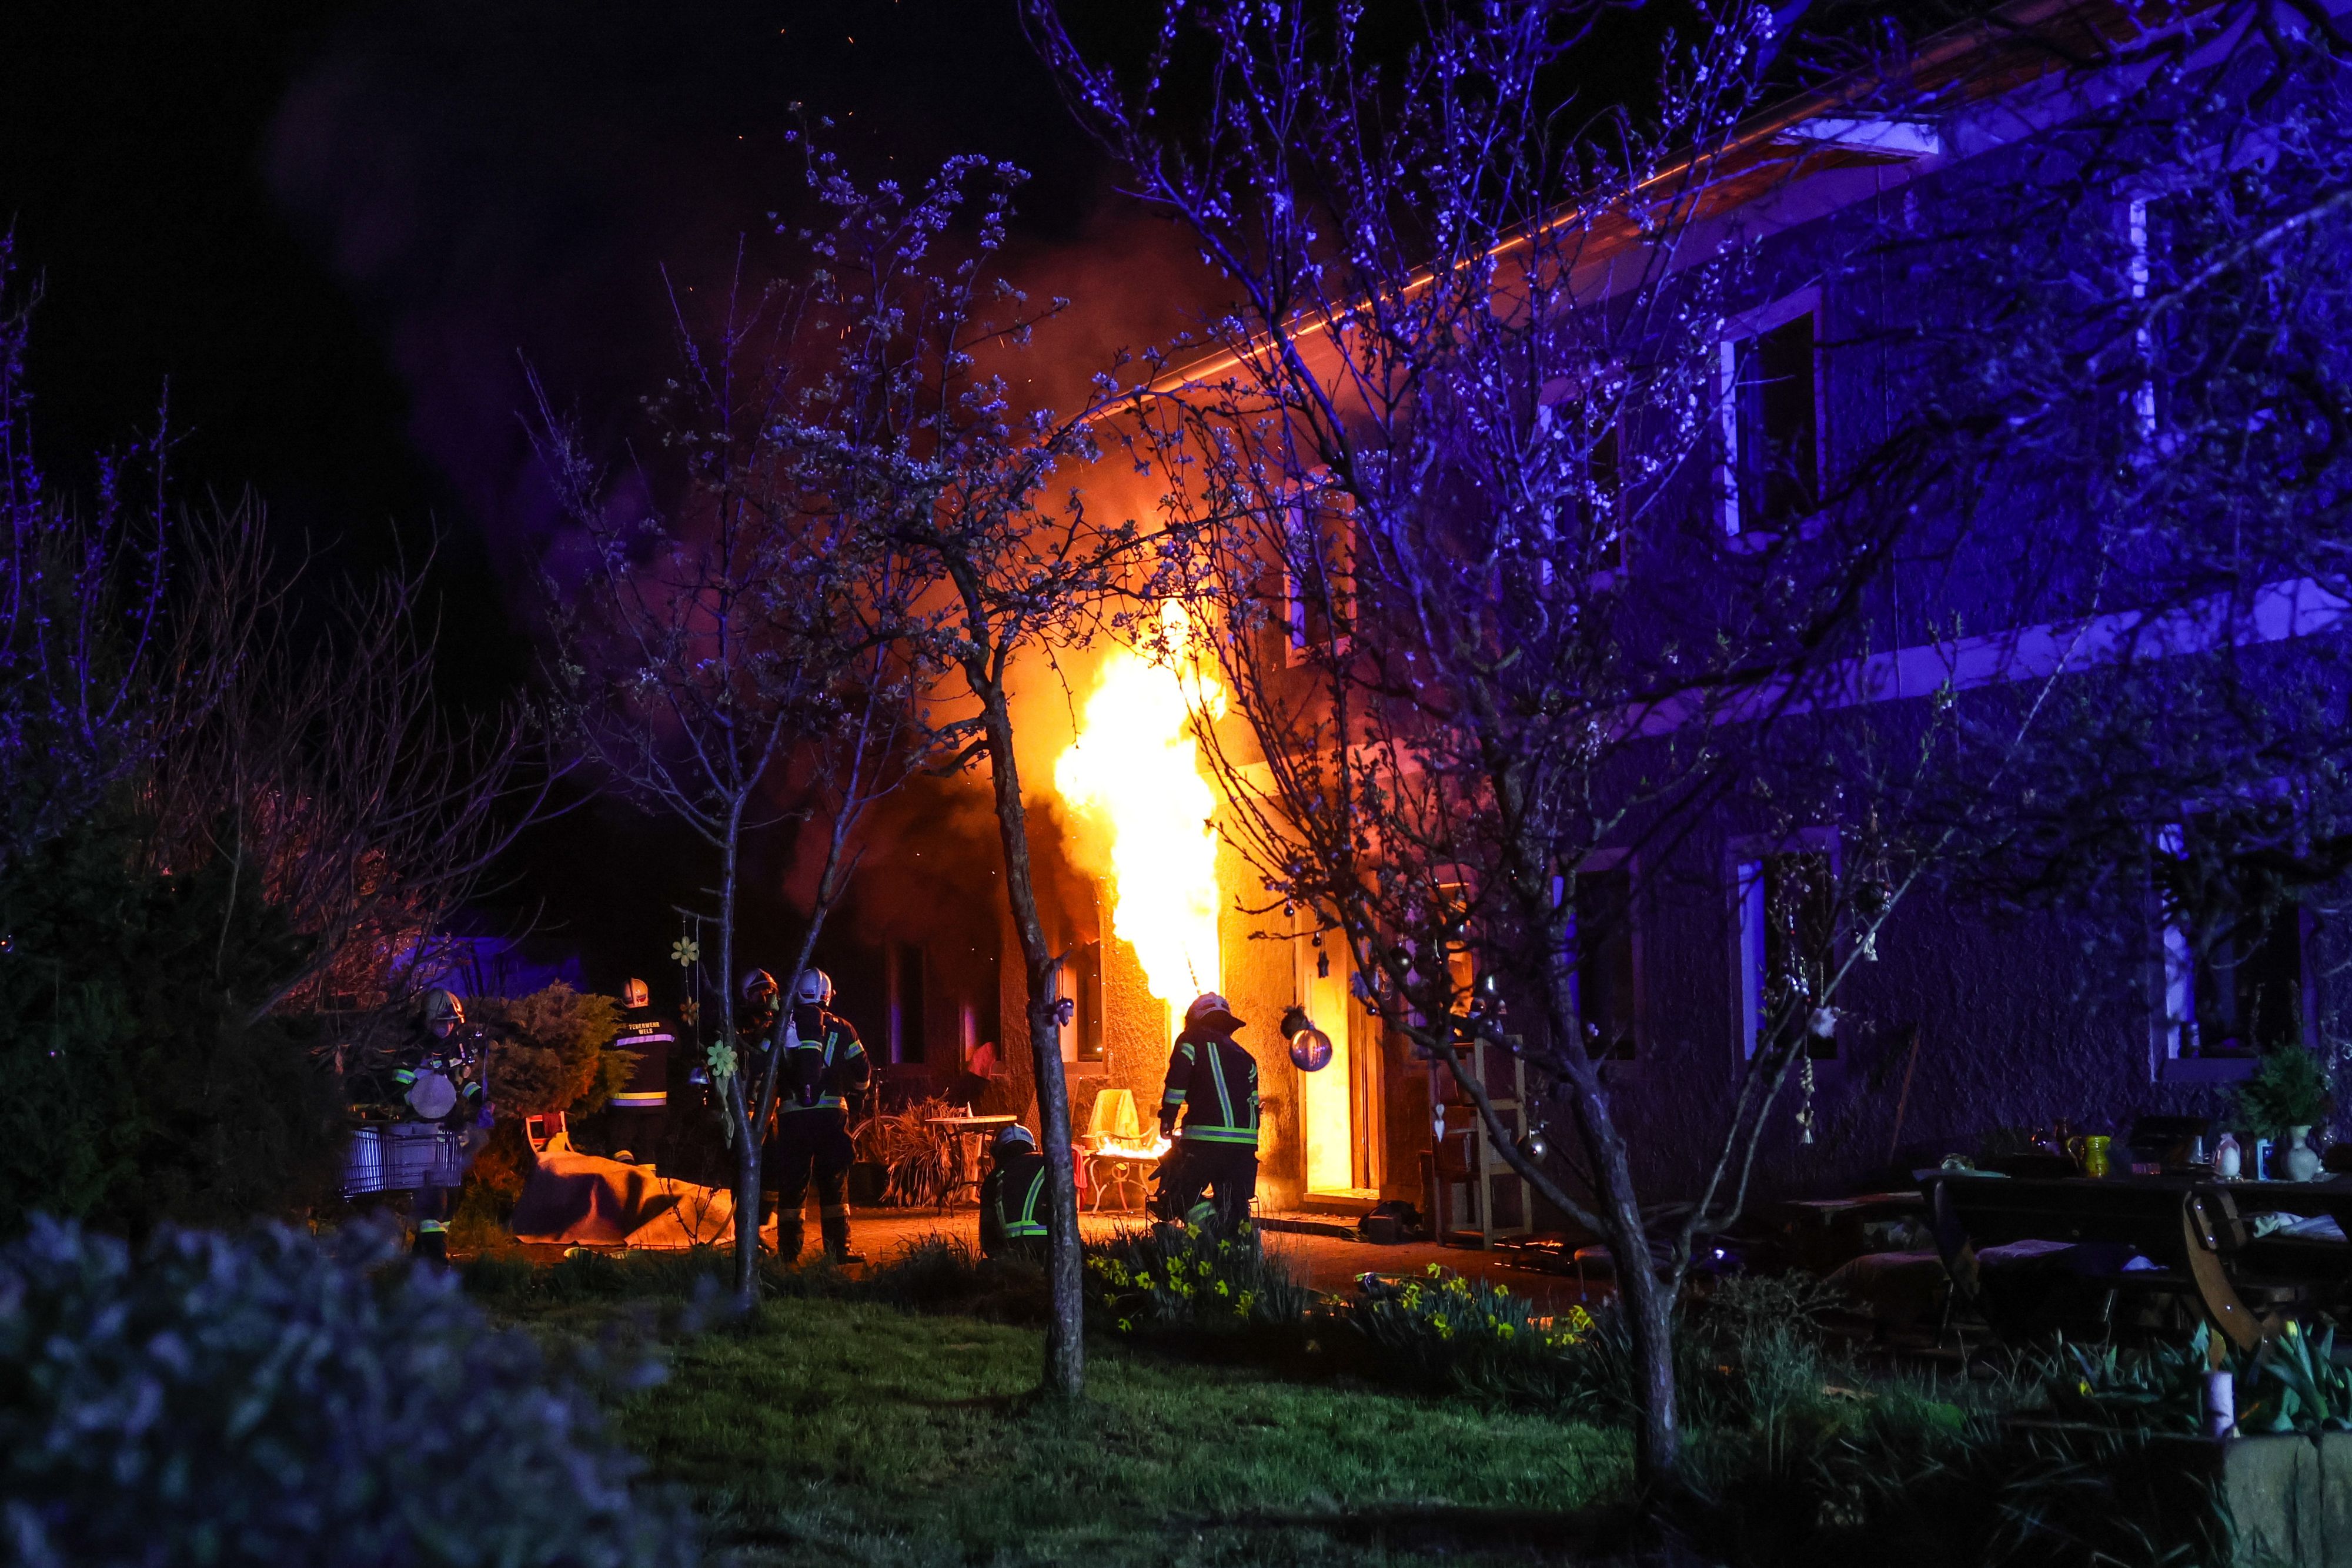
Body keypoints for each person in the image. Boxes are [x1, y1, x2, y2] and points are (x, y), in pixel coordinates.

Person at [763, 968, 871, 1263]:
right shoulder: (844, 1028)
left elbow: (762, 1061)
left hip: (792, 1117)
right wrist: (858, 1095)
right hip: (832, 1118)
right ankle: (839, 1251)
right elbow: (862, 1071)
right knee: (834, 1181)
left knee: (793, 1185)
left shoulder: (782, 1024)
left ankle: (788, 1254)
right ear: (828, 995)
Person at [398, 988, 490, 1263]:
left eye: (451, 1022)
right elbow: (399, 1087)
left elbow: (462, 1085)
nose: (447, 1027)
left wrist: (483, 1101)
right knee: (434, 1197)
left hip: (452, 1132)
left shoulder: (456, 1049)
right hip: (422, 1132)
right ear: (427, 1020)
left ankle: (421, 1254)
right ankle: (437, 1260)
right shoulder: (414, 1050)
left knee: (453, 1198)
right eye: (442, 1022)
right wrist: (417, 1101)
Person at [1159, 991, 1261, 1232]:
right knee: (1234, 1201)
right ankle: (1238, 1247)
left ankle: (1210, 1231)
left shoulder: (1190, 1040)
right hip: (1244, 1146)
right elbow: (1255, 1104)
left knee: (1182, 1193)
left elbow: (1176, 1084)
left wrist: (1167, 1119)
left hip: (1205, 1140)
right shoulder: (1247, 1058)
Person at [600, 977, 672, 1166]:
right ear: (648, 998)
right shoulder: (667, 1027)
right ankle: (648, 1192)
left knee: (619, 1147)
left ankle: (626, 1184)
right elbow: (677, 1055)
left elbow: (603, 1063)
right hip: (657, 1107)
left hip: (622, 1108)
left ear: (622, 1002)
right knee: (647, 1152)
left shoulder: (615, 1031)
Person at [978, 1122, 1051, 1262]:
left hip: (1012, 1252)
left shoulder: (993, 1180)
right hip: (1051, 1249)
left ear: (997, 1153)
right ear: (1033, 1147)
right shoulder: (1047, 1167)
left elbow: (988, 1238)